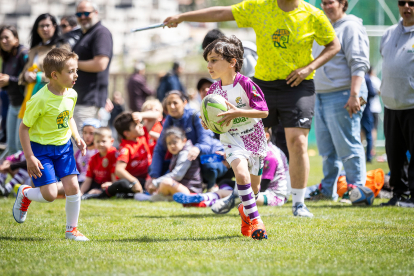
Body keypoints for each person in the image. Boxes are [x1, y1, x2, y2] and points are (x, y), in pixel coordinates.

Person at [163, 0, 340, 218]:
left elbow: (334, 45)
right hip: (263, 83)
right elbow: (221, 12)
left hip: (297, 85)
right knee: (239, 139)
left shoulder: (313, 14)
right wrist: (183, 17)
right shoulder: (260, 6)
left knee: (298, 142)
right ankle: (238, 195)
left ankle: (299, 203)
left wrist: (309, 68)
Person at [14, 48, 89, 241]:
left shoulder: (71, 94)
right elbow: (23, 128)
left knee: (73, 187)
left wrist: (76, 137)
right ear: (54, 75)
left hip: (63, 148)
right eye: (71, 71)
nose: (76, 75)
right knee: (49, 194)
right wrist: (30, 157)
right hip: (41, 150)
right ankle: (25, 193)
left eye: (76, 70)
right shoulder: (39, 100)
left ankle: (71, 230)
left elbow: (69, 117)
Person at [202, 35, 269, 240]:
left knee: (254, 188)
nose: (209, 66)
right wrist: (207, 121)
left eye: (214, 60)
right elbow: (208, 116)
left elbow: (264, 112)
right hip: (232, 139)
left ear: (232, 62)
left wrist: (237, 112)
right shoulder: (214, 90)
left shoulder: (246, 84)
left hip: (254, 138)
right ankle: (257, 221)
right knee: (241, 175)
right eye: (208, 61)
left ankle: (245, 211)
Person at [310, 0, 370, 201]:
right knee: (327, 150)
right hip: (322, 94)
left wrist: (355, 95)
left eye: (331, 2)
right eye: (324, 2)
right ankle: (328, 190)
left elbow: (359, 63)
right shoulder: (324, 27)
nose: (327, 6)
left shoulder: (351, 26)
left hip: (345, 94)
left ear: (343, 3)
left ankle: (357, 191)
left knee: (349, 146)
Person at [174, 128, 290, 210]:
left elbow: (260, 187)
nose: (246, 137)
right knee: (226, 183)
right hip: (262, 191)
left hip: (274, 196)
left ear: (265, 136)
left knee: (231, 191)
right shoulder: (258, 151)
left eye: (251, 133)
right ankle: (209, 201)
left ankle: (203, 198)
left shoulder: (270, 156)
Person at [147, 90, 228, 192]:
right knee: (159, 169)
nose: (172, 106)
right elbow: (159, 149)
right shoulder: (170, 119)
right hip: (189, 160)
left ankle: (212, 185)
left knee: (208, 167)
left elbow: (206, 144)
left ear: (185, 102)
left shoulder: (195, 115)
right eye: (168, 103)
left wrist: (197, 148)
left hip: (213, 157)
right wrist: (154, 176)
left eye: (175, 103)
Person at [379, 0, 414, 207]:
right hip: (391, 104)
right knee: (394, 155)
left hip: (412, 105)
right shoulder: (389, 32)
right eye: (402, 3)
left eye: (411, 3)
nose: (407, 7)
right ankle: (398, 194)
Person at [18, 13, 70, 121]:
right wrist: (26, 75)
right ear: (36, 29)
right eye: (41, 26)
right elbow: (22, 74)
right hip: (31, 98)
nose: (44, 29)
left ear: (54, 27)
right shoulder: (33, 50)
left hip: (52, 99)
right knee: (23, 136)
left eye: (47, 25)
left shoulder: (62, 47)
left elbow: (65, 74)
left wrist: (39, 77)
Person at [72, 0, 113, 131]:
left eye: (86, 13)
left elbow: (100, 64)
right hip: (80, 99)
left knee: (82, 145)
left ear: (96, 13)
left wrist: (72, 64)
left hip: (88, 101)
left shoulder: (101, 33)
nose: (82, 17)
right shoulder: (84, 34)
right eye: (79, 14)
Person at [146, 126, 202, 197]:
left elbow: (177, 175)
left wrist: (155, 183)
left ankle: (154, 198)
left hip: (191, 191)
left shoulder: (186, 153)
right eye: (169, 143)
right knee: (165, 182)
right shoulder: (178, 152)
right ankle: (154, 196)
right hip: (183, 187)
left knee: (167, 182)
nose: (172, 146)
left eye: (175, 142)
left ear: (184, 141)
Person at [0, 25, 28, 154]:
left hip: (25, 106)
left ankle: (24, 173)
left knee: (19, 145)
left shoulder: (23, 54)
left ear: (16, 38)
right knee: (10, 146)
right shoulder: (6, 57)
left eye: (7, 37)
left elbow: (29, 80)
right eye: (1, 38)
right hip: (13, 104)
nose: (3, 41)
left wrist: (9, 79)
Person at [80, 127, 117, 196]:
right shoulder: (93, 158)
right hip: (97, 184)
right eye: (98, 141)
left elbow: (114, 177)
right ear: (94, 142)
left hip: (111, 184)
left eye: (103, 141)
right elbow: (88, 179)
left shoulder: (114, 154)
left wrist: (111, 184)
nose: (100, 144)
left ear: (111, 141)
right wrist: (81, 193)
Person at [75, 118, 100, 184]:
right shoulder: (79, 153)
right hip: (80, 181)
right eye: (85, 133)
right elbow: (76, 171)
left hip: (95, 183)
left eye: (91, 133)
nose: (87, 136)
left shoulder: (100, 152)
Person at [360, 74, 376, 163]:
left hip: (362, 110)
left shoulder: (365, 78)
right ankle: (367, 157)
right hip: (364, 111)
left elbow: (371, 93)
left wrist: (359, 100)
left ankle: (368, 157)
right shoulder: (366, 78)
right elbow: (372, 93)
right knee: (367, 134)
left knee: (366, 134)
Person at [367, 67, 382, 157]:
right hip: (375, 108)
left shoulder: (364, 78)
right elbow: (380, 92)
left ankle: (364, 150)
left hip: (366, 108)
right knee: (374, 130)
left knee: (363, 131)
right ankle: (372, 150)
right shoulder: (375, 80)